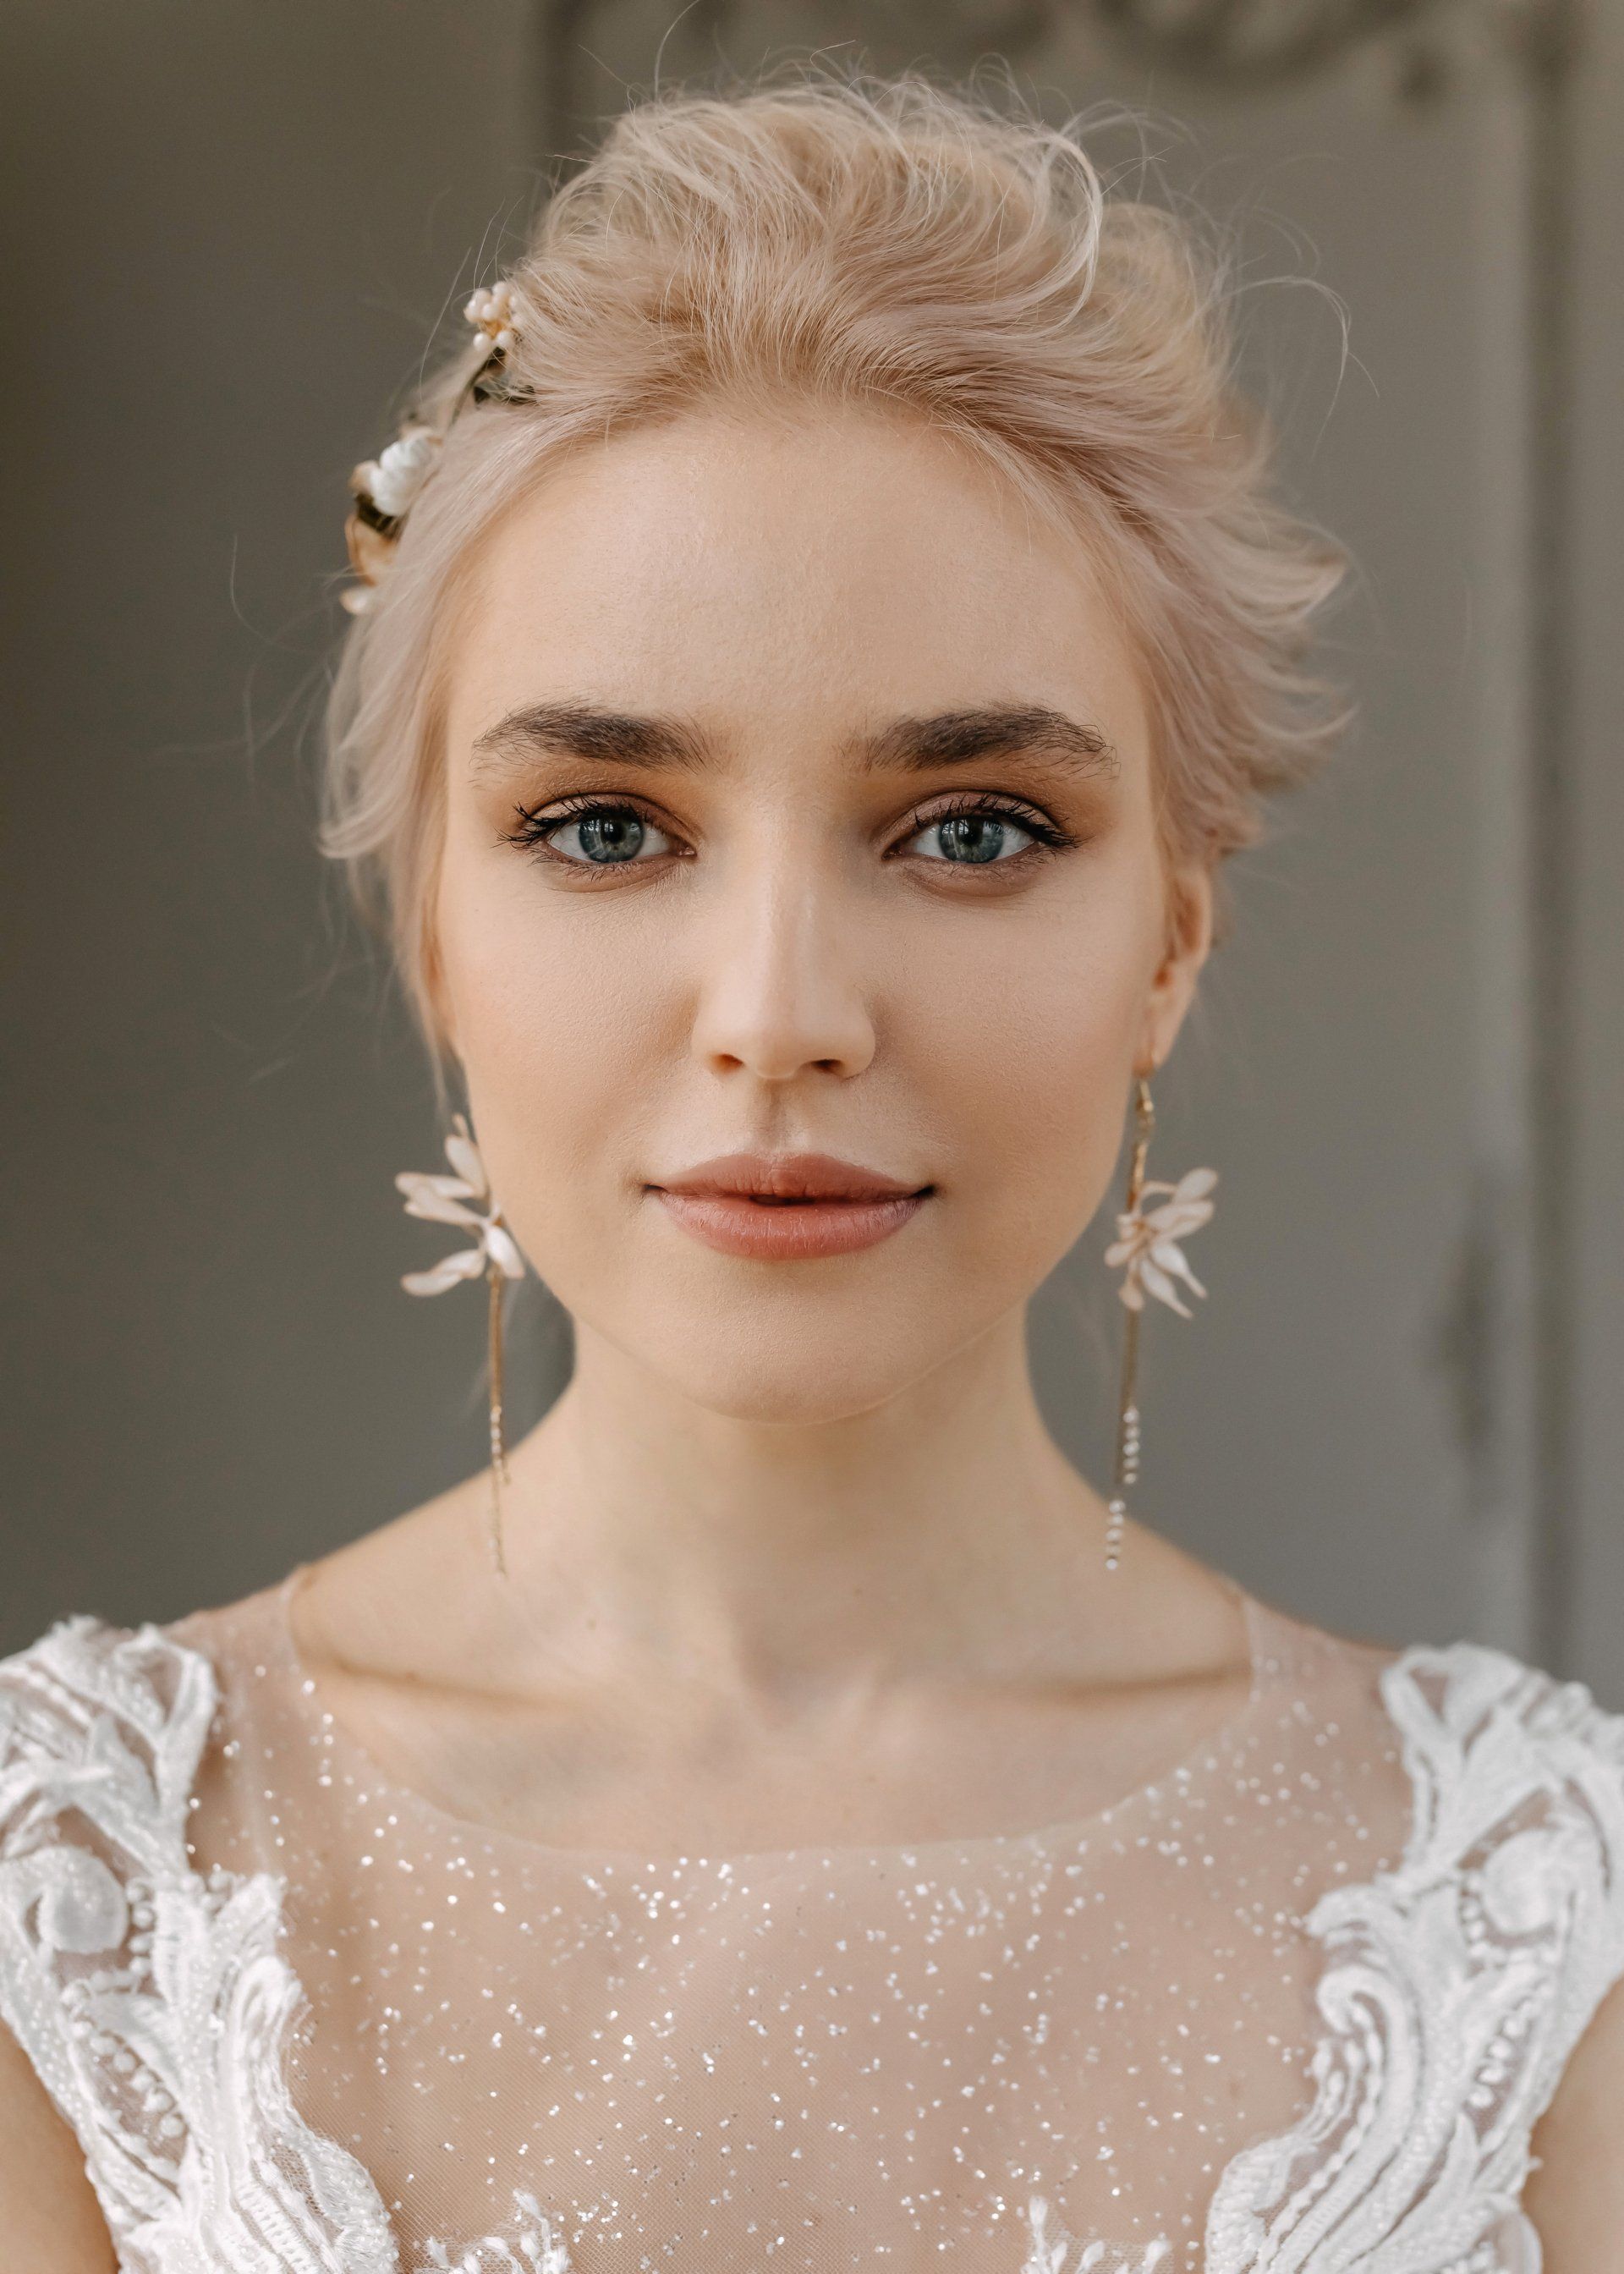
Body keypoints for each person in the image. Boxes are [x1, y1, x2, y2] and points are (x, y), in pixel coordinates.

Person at [2, 67, 1621, 2274]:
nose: (781, 1010)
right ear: (437, 936)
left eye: (971, 831)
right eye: (606, 826)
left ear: (1169, 935)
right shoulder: (84, 1892)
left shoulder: (1544, 1934)